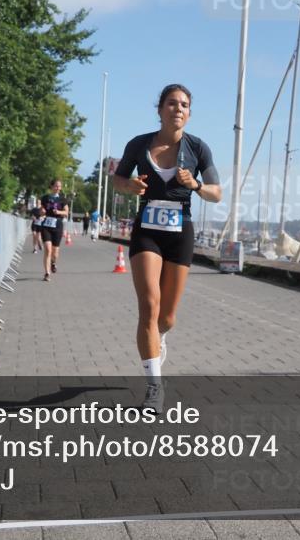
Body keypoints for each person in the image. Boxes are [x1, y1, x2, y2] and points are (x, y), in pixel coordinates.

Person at [113, 84, 221, 411]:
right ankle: (154, 388)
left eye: (184, 105)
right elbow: (117, 179)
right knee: (149, 305)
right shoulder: (138, 144)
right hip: (147, 228)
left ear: (189, 113)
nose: (178, 109)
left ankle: (159, 337)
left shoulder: (198, 148)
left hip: (179, 230)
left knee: (168, 317)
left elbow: (216, 193)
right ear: (159, 109)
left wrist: (195, 184)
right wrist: (129, 186)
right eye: (172, 103)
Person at [39, 179, 69, 281]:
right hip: (46, 225)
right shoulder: (45, 198)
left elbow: (66, 213)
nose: (58, 188)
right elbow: (41, 210)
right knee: (48, 249)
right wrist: (42, 211)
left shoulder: (63, 199)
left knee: (55, 253)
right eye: (56, 186)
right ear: (51, 186)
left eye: (59, 186)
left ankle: (53, 262)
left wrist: (59, 212)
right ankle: (47, 273)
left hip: (57, 225)